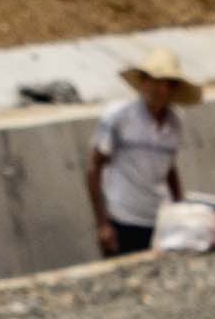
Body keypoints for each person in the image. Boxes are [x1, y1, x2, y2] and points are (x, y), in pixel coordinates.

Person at [86, 63, 202, 258]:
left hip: (159, 219)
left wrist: (179, 209)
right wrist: (103, 224)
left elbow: (169, 168)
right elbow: (94, 167)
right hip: (123, 219)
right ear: (144, 83)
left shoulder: (175, 122)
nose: (160, 89)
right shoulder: (119, 117)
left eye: (167, 84)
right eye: (155, 82)